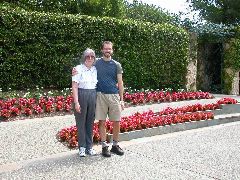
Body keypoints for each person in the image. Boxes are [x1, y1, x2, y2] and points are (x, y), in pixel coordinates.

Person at [72, 41, 125, 157]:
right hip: (100, 96)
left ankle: (115, 145)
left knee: (116, 121)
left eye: (109, 49)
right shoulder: (96, 63)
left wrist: (122, 99)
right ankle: (103, 146)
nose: (107, 50)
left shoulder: (116, 65)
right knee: (101, 121)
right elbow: (84, 66)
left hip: (113, 96)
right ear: (102, 50)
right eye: (105, 49)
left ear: (112, 50)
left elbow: (120, 83)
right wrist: (74, 70)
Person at [72, 48, 98, 157]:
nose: (90, 58)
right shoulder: (78, 69)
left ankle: (89, 146)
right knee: (81, 123)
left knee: (90, 122)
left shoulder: (96, 69)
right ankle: (82, 147)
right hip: (82, 95)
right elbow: (74, 86)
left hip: (93, 95)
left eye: (92, 56)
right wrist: (76, 102)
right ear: (84, 57)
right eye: (88, 56)